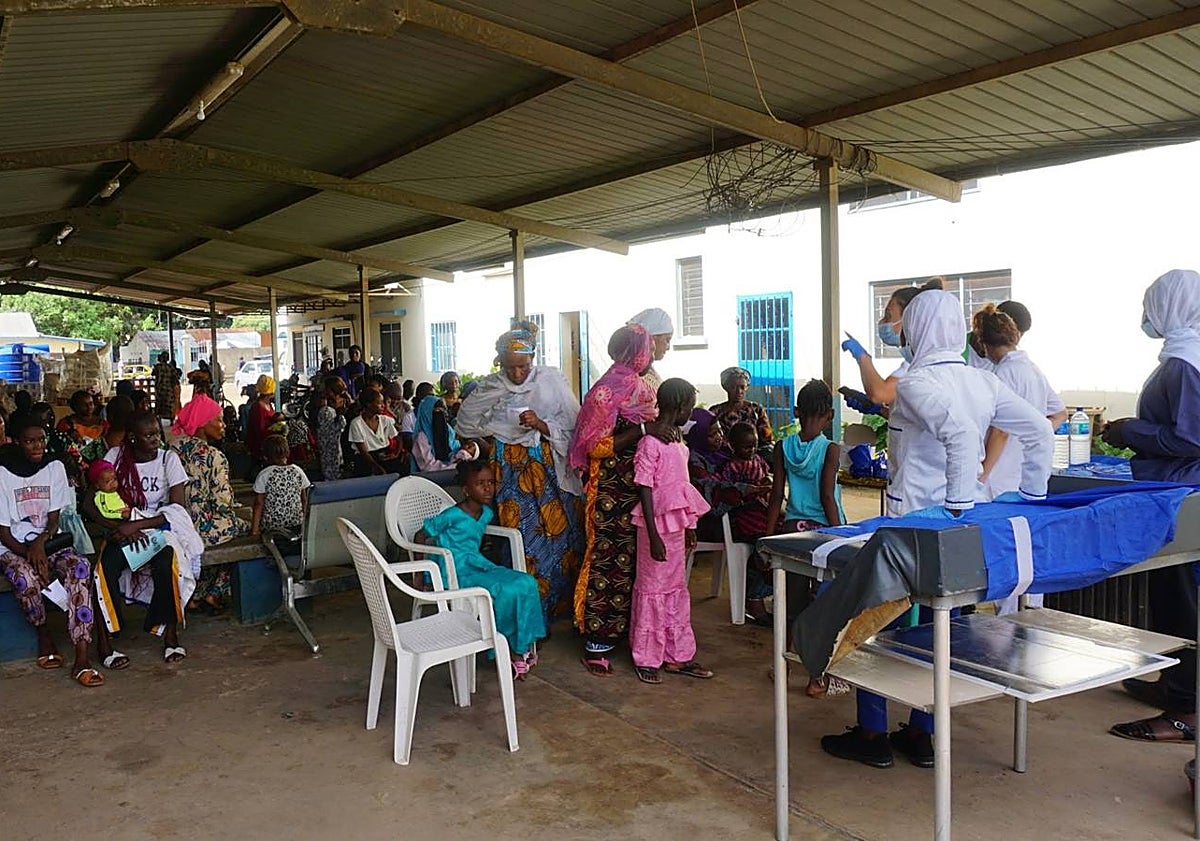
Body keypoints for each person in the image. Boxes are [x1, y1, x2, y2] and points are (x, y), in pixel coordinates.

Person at [820, 289, 1053, 769]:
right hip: (965, 532)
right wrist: (1031, 498)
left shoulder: (917, 381)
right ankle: (922, 733)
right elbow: (1042, 431)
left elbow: (961, 436)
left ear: (920, 327)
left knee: (878, 621)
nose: (897, 330)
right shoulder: (982, 382)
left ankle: (872, 734)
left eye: (901, 323)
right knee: (939, 628)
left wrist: (952, 508)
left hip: (918, 527)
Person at [1103, 269, 1200, 744]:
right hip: (1176, 491)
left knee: (1182, 600)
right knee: (1172, 594)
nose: (1145, 317)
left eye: (1150, 306)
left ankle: (1184, 712)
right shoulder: (1186, 355)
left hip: (1182, 494)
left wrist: (1128, 432)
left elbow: (1191, 438)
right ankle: (1174, 684)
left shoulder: (1184, 362)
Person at [454, 321, 585, 624]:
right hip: (511, 474)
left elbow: (574, 426)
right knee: (521, 539)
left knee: (560, 535)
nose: (516, 374)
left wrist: (540, 425)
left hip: (549, 471)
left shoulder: (551, 381)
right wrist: (498, 433)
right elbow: (466, 423)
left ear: (533, 359)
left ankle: (555, 609)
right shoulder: (493, 386)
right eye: (509, 368)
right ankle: (526, 614)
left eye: (522, 367)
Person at [570, 325, 666, 676]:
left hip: (640, 483)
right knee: (608, 557)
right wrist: (641, 432)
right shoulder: (607, 391)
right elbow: (595, 447)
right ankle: (597, 639)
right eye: (649, 348)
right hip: (609, 488)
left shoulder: (643, 386)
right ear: (634, 352)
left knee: (635, 560)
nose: (652, 355)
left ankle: (630, 632)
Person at [417, 459, 546, 679]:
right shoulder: (452, 515)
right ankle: (510, 652)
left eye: (491, 482)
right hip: (455, 571)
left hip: (477, 564)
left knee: (526, 582)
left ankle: (522, 643)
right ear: (466, 490)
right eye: (480, 483)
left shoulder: (486, 513)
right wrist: (419, 575)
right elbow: (421, 535)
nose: (487, 488)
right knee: (503, 590)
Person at [93, 412, 204, 666]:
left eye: (157, 433)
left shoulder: (168, 459)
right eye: (148, 435)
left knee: (168, 565)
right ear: (132, 438)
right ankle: (105, 644)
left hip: (159, 529)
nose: (156, 439)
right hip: (124, 530)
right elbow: (92, 502)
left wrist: (138, 524)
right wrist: (118, 528)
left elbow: (177, 509)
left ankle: (171, 637)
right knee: (104, 569)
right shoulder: (115, 458)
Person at [0, 417, 102, 686]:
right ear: (17, 442)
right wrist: (31, 555)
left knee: (79, 568)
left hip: (48, 542)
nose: (38, 446)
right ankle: (43, 631)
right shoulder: (2, 472)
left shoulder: (54, 467)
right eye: (30, 441)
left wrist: (40, 545)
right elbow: (3, 532)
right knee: (25, 577)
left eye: (41, 440)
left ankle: (81, 653)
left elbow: (54, 518)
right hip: (11, 545)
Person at [630, 377, 713, 684]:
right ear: (677, 406)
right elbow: (645, 489)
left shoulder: (679, 443)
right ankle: (647, 657)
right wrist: (652, 534)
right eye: (689, 407)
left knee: (675, 590)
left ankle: (678, 655)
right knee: (652, 590)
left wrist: (690, 526)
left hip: (676, 529)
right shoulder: (649, 443)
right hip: (654, 529)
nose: (690, 414)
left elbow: (683, 487)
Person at [173, 394, 250, 613]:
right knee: (248, 529)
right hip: (202, 530)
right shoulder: (213, 456)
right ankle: (215, 592)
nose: (223, 425)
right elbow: (222, 504)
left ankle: (196, 594)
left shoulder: (172, 449)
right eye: (219, 420)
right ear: (203, 424)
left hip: (176, 528)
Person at [842, 277, 944, 408]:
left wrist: (862, 357)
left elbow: (879, 393)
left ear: (910, 320)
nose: (882, 322)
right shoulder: (911, 361)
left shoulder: (926, 363)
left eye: (888, 316)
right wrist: (879, 410)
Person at [251, 434, 311, 536]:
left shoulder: (264, 474)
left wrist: (254, 531)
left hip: (272, 527)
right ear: (287, 452)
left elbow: (259, 504)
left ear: (265, 455)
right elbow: (304, 500)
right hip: (296, 524)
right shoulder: (297, 471)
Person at [709, 367, 773, 452]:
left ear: (747, 387)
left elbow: (767, 439)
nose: (738, 391)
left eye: (742, 387)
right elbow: (710, 440)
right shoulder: (715, 412)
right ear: (726, 387)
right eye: (733, 387)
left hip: (752, 457)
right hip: (722, 458)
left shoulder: (757, 410)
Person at [410, 396, 477, 473]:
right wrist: (454, 466)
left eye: (443, 410)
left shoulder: (448, 430)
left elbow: (456, 450)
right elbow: (428, 467)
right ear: (427, 413)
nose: (440, 414)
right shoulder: (421, 438)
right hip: (431, 476)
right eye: (437, 411)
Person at [350, 391, 406, 476]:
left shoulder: (385, 420)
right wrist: (376, 467)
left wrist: (396, 454)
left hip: (384, 456)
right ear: (369, 404)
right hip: (366, 459)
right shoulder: (356, 423)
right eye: (379, 403)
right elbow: (363, 451)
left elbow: (398, 438)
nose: (383, 406)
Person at [627, 308, 673, 391]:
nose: (668, 347)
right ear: (651, 339)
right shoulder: (634, 376)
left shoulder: (647, 370)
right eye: (667, 340)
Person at [316, 377, 348, 481]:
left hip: (332, 446)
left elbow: (333, 430)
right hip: (332, 446)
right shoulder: (328, 408)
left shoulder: (327, 410)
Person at [246, 374, 275, 462]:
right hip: (260, 447)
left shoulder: (268, 405)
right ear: (270, 393)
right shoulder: (257, 408)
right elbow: (259, 430)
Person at [401, 382, 434, 452]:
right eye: (430, 396)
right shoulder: (409, 417)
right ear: (420, 397)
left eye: (433, 396)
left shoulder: (435, 415)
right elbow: (408, 442)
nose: (432, 399)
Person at [152, 353, 180, 421]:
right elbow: (175, 377)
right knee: (169, 404)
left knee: (160, 405)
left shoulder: (157, 367)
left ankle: (159, 420)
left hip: (160, 389)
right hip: (169, 389)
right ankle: (171, 420)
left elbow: (153, 373)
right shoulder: (170, 367)